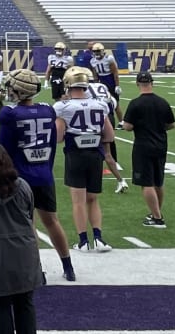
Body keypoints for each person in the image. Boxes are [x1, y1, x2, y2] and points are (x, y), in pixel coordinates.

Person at [0, 69, 75, 282]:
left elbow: (3, 150)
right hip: (44, 174)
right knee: (52, 221)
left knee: (27, 225)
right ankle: (68, 266)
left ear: (19, 91)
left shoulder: (9, 114)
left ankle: (36, 269)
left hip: (21, 178)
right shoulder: (48, 110)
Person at [0, 143, 44, 334]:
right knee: (25, 304)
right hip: (24, 251)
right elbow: (31, 222)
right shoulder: (23, 186)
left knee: (0, 304)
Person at [54, 67, 117, 253]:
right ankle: (98, 238)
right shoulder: (100, 105)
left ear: (68, 84)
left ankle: (83, 241)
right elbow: (110, 135)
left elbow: (58, 137)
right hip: (95, 155)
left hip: (75, 155)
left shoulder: (63, 107)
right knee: (93, 199)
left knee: (78, 201)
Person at [122, 71, 175, 229]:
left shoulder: (135, 103)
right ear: (152, 83)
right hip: (161, 144)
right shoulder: (162, 102)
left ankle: (157, 217)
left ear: (138, 84)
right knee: (158, 181)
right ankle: (156, 212)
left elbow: (127, 126)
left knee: (146, 183)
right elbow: (171, 124)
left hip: (143, 145)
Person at [88, 43, 123, 126]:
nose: (96, 53)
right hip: (101, 82)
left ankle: (121, 121)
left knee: (115, 102)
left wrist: (117, 85)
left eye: (98, 51)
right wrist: (96, 85)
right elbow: (95, 74)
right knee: (103, 102)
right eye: (95, 51)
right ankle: (107, 121)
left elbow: (115, 72)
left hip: (110, 80)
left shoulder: (109, 58)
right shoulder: (92, 60)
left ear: (102, 51)